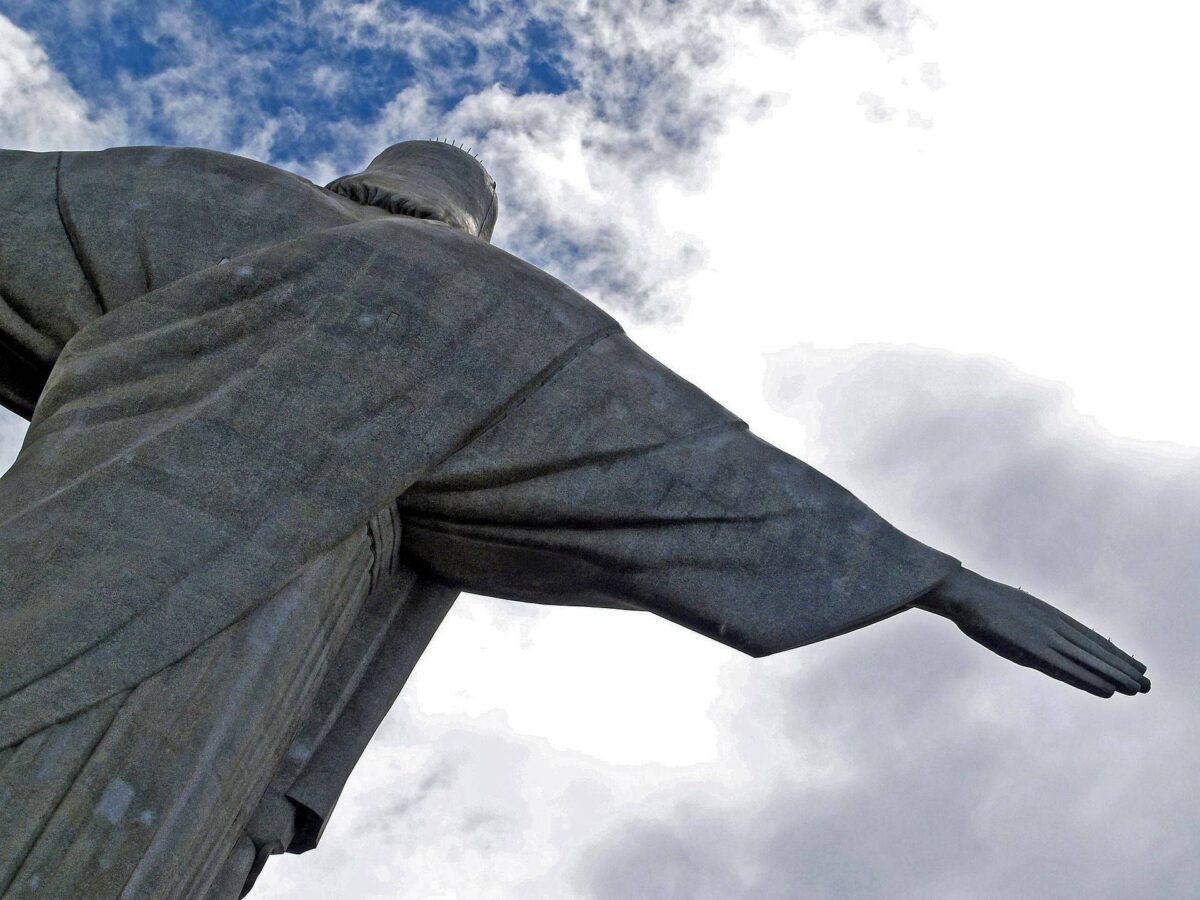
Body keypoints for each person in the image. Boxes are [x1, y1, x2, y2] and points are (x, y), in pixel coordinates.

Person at [0, 141, 1149, 899]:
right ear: (472, 224)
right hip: (257, 619)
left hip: (48, 537)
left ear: (363, 175)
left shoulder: (190, 195)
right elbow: (697, 472)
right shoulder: (495, 307)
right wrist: (938, 582)